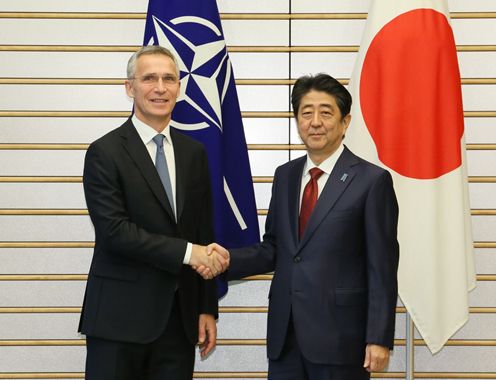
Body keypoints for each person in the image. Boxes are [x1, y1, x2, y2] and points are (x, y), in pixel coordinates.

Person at [206, 74, 399, 379]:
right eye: (306, 112)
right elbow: (274, 249)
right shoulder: (285, 176)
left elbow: (382, 267)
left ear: (345, 122)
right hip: (285, 338)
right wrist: (228, 259)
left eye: (326, 112)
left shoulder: (372, 181)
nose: (315, 121)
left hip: (341, 340)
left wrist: (378, 337)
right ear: (297, 120)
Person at [79, 45, 229, 380]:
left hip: (178, 321)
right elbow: (116, 233)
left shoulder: (194, 154)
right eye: (149, 78)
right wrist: (192, 254)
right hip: (118, 323)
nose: (160, 88)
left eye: (169, 79)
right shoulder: (104, 152)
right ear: (130, 87)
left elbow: (202, 232)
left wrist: (206, 308)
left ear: (179, 87)